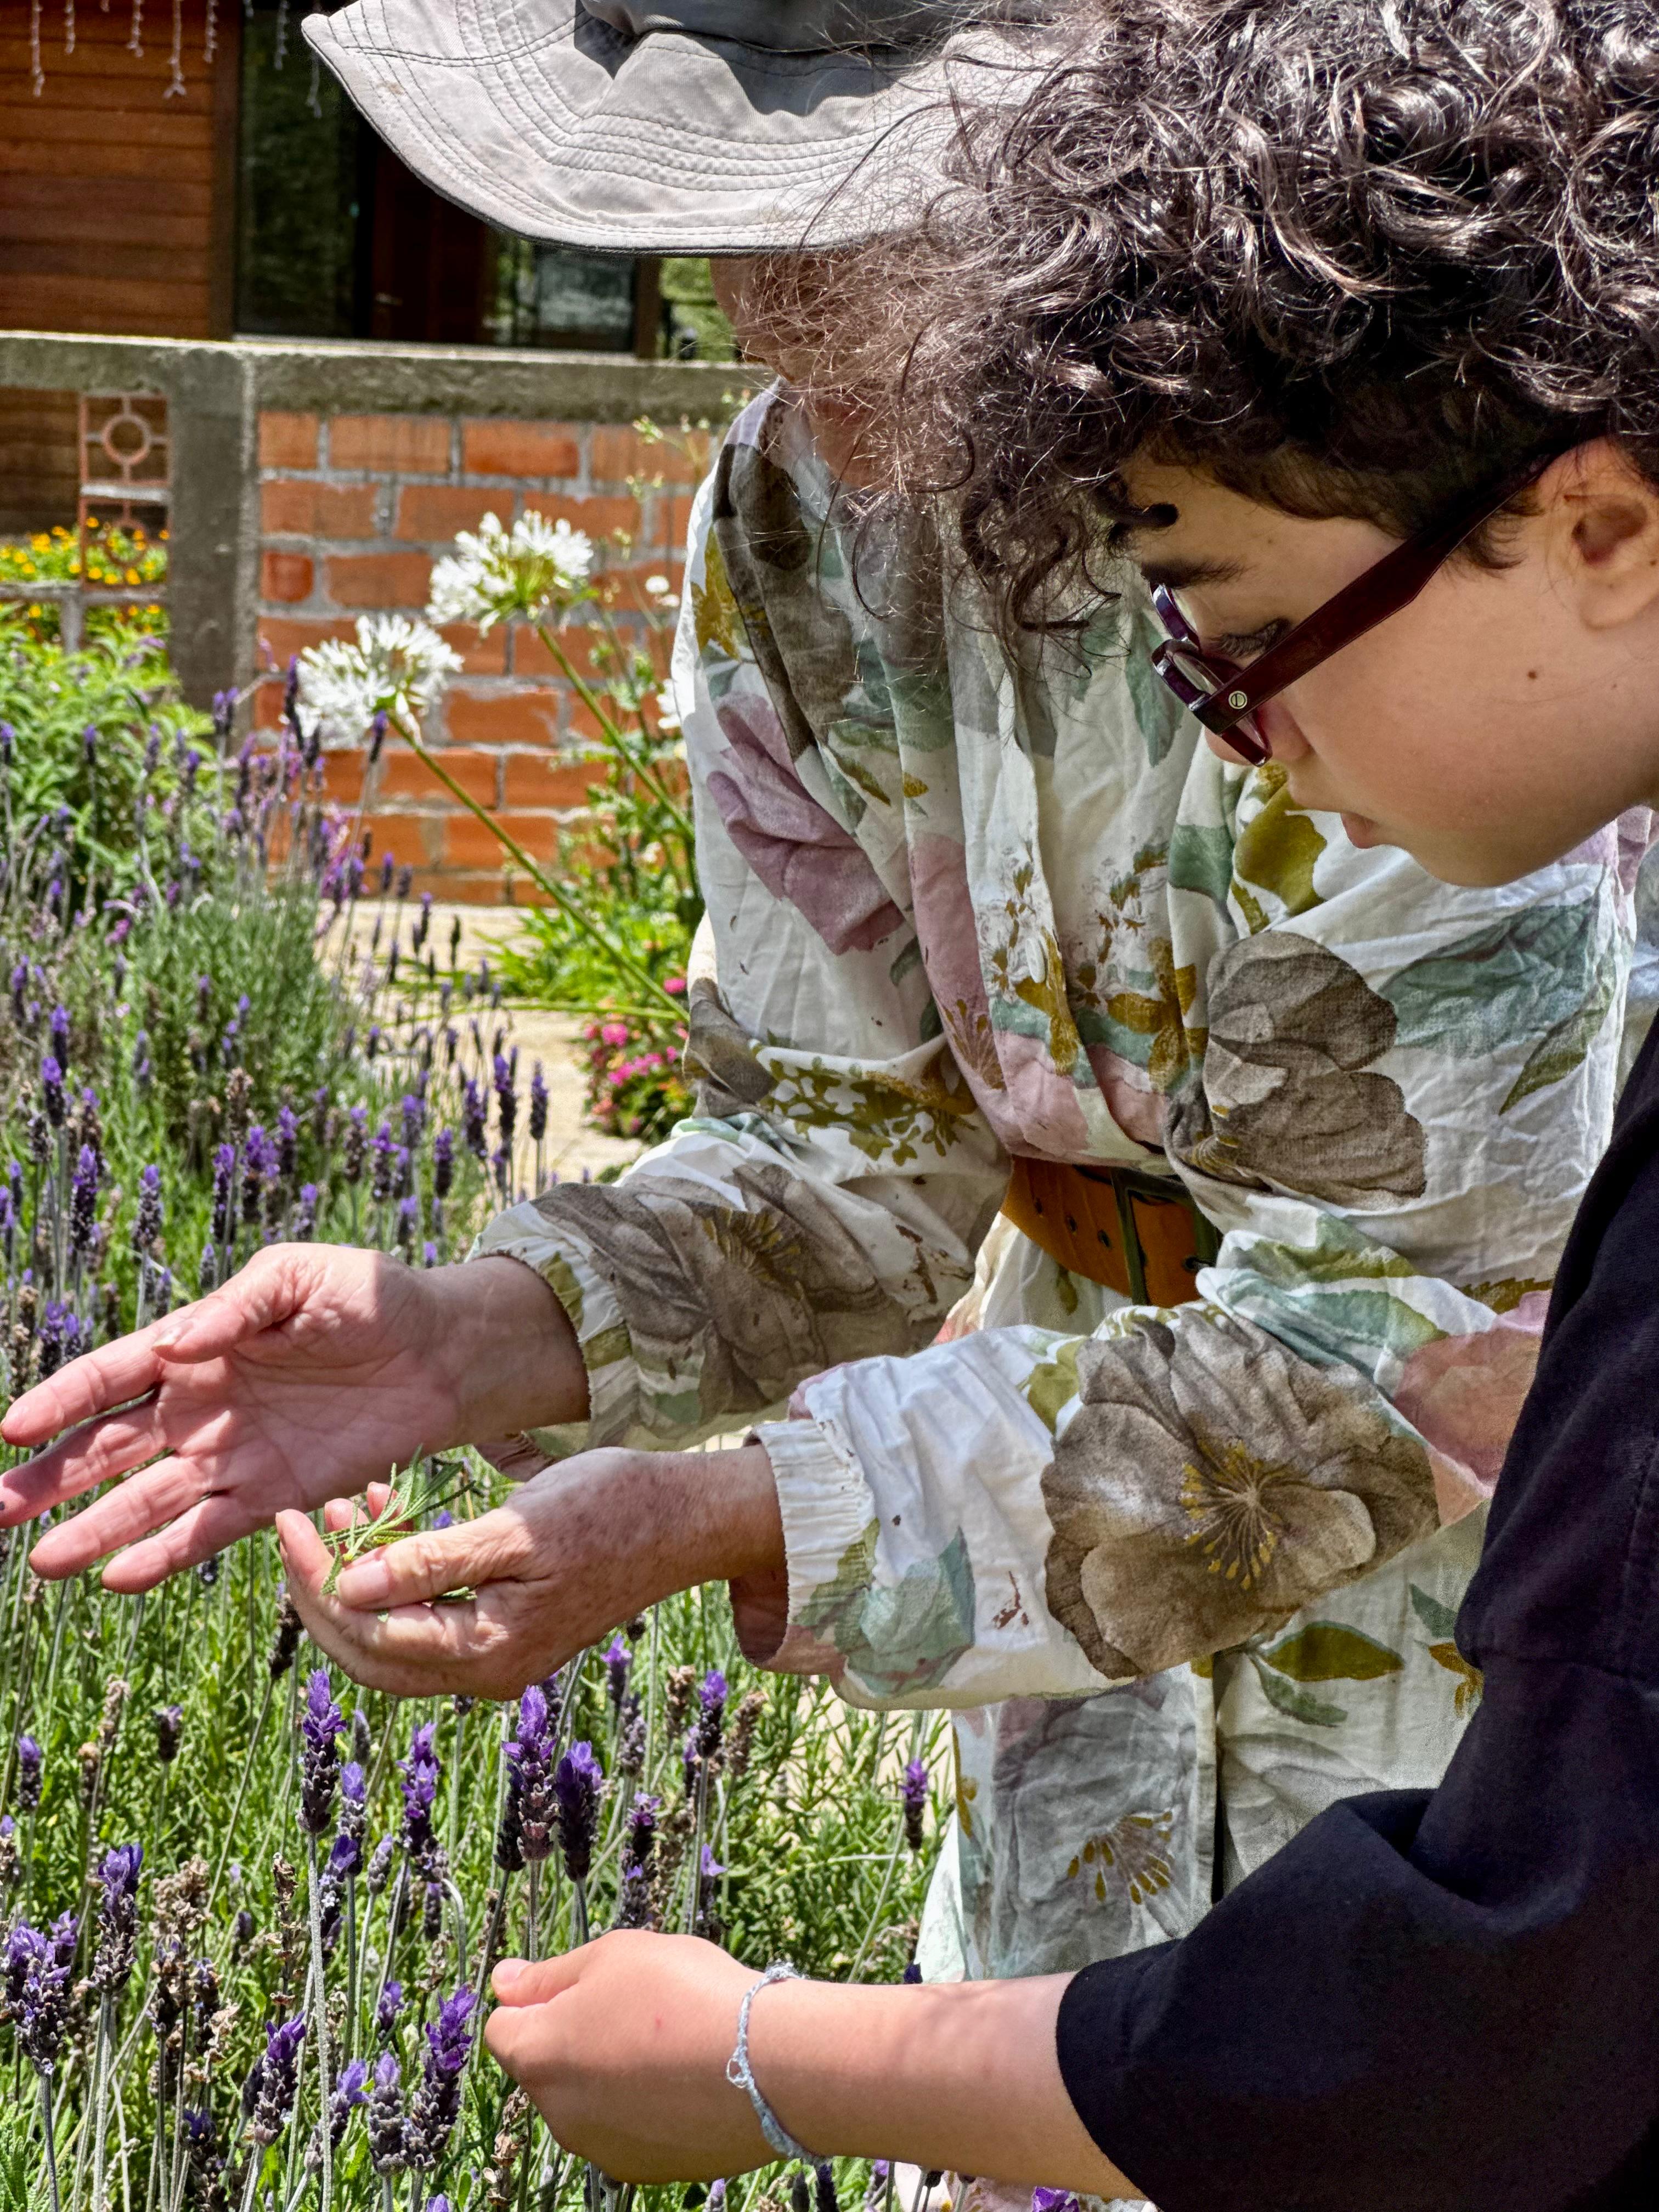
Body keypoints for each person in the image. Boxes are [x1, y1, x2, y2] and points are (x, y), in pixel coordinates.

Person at [2, 0, 1655, 2203]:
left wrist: (730, 1514)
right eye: (717, 240)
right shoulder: (796, 517)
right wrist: (487, 1327)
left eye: (866, 219)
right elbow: (843, 1143)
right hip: (1073, 1659)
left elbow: (1421, 1347)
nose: (781, 310)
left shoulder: (1363, 534)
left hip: (1476, 1698)